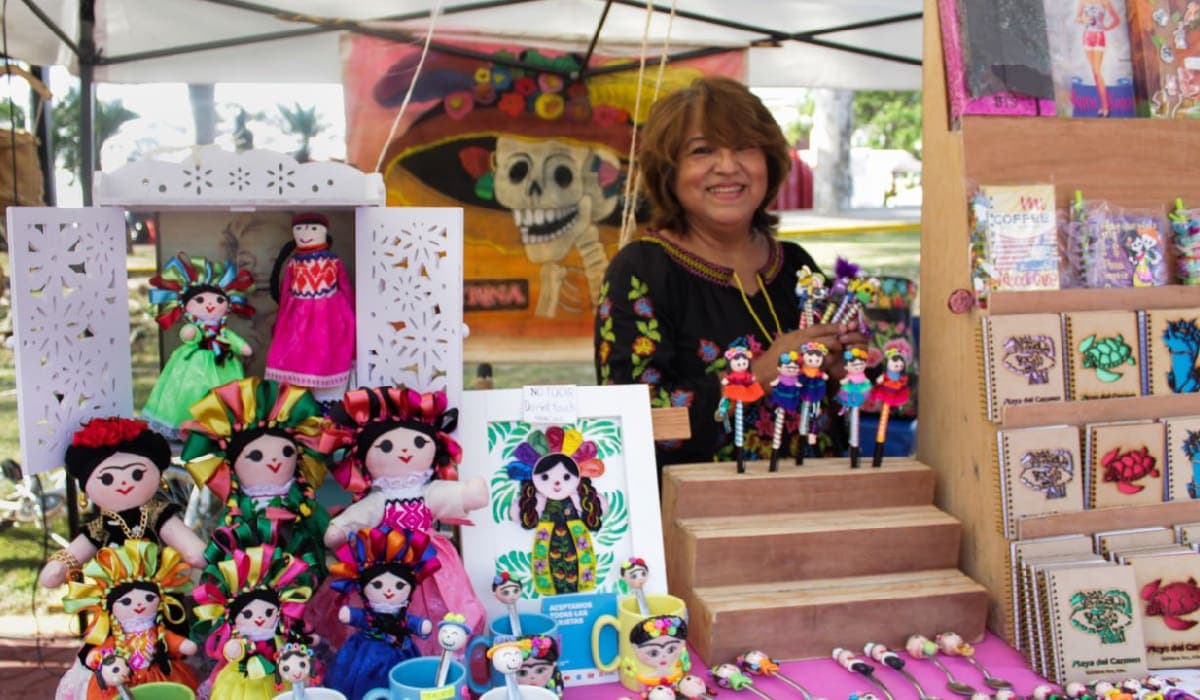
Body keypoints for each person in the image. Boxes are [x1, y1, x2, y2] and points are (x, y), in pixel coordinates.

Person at [594, 76, 866, 466]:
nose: (727, 166)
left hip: (816, 492)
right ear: (669, 170)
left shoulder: (797, 266)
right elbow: (629, 424)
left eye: (744, 148)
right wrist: (757, 375)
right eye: (702, 150)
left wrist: (842, 373)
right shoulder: (640, 272)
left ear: (769, 163)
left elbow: (838, 411)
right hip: (699, 501)